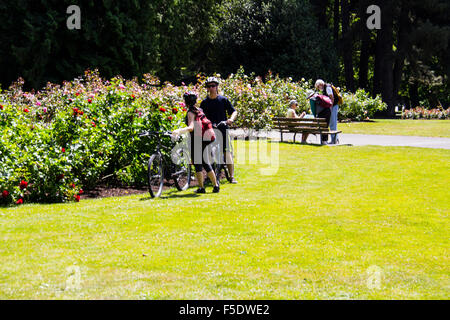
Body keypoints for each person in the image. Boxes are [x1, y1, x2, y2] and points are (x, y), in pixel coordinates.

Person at [172, 91, 220, 194]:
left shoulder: (190, 112)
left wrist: (179, 131)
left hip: (198, 139)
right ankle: (215, 186)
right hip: (206, 138)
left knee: (198, 164)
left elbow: (191, 127)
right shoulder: (199, 110)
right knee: (206, 162)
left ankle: (201, 188)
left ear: (186, 102)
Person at [200, 77, 238, 184]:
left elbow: (234, 112)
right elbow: (200, 115)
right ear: (207, 88)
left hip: (222, 128)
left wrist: (230, 119)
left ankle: (231, 176)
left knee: (226, 152)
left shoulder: (223, 100)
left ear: (217, 87)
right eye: (209, 86)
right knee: (207, 152)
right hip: (210, 130)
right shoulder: (204, 103)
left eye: (213, 86)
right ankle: (210, 175)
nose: (211, 88)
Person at [315, 79, 339, 144]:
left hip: (333, 106)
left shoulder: (327, 87)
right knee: (332, 123)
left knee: (332, 123)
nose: (318, 88)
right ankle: (335, 139)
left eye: (318, 87)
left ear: (320, 84)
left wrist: (330, 108)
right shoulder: (325, 88)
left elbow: (332, 98)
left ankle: (334, 140)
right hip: (331, 106)